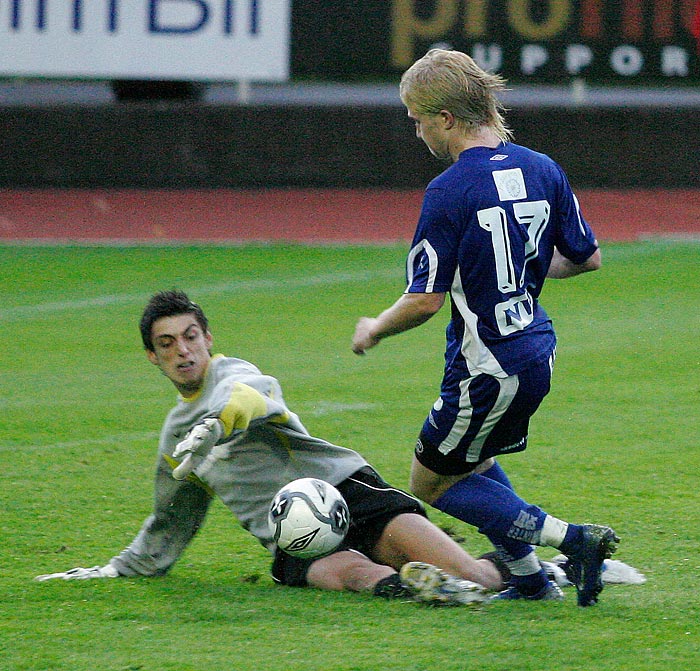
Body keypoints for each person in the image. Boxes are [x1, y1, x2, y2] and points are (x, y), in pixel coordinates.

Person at [35, 289, 507, 606]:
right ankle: (418, 589)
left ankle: (540, 571)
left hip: (348, 494)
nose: (182, 351)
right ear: (152, 357)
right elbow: (169, 523)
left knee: (477, 576)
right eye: (167, 343)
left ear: (207, 339)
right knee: (355, 575)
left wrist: (218, 424)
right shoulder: (175, 441)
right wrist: (114, 572)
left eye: (190, 337)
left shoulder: (234, 374)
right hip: (293, 538)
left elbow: (250, 398)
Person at [351, 49, 619, 606]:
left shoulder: (449, 190)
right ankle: (530, 581)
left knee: (431, 482)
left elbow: (424, 301)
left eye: (417, 117)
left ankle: (573, 540)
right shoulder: (542, 167)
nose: (416, 128)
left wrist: (375, 328)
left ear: (446, 119)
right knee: (477, 462)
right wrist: (516, 269)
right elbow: (586, 257)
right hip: (535, 351)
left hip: (488, 365)